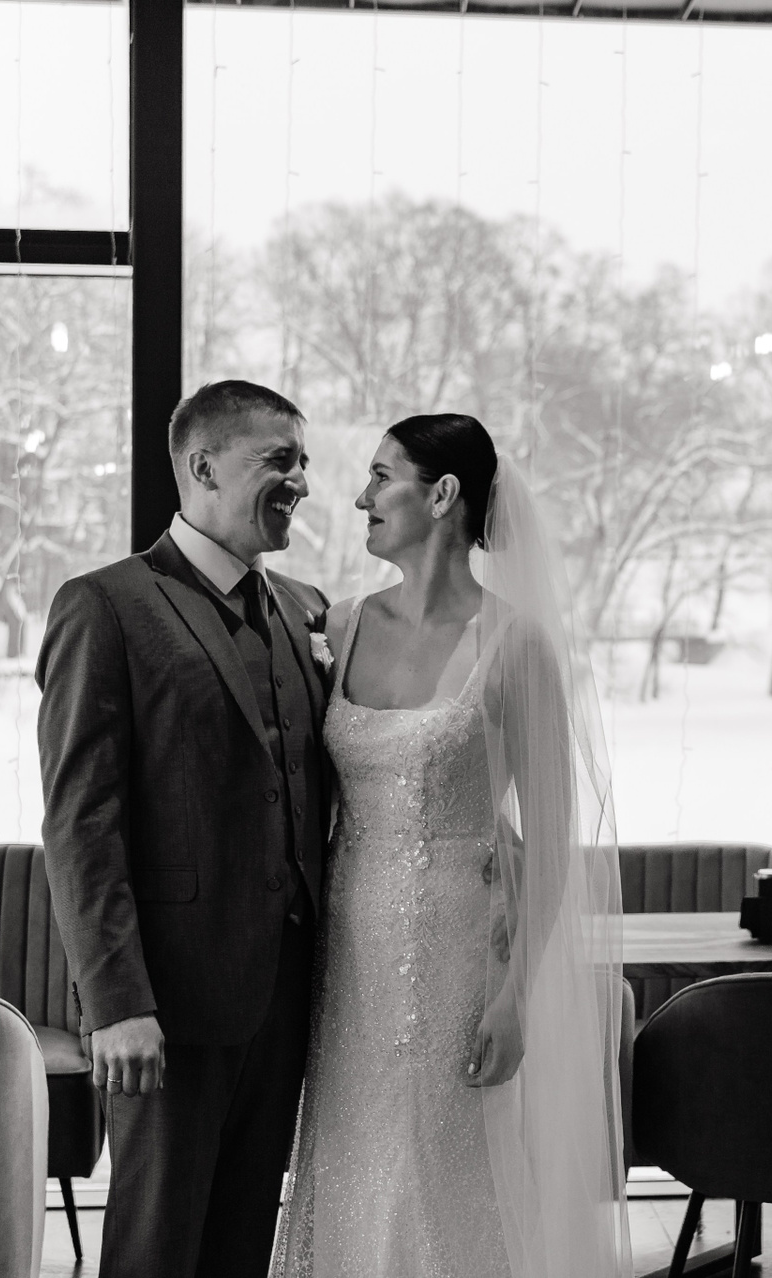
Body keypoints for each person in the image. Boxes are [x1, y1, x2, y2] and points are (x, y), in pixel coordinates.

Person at [273, 413, 632, 1278]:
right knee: (352, 1165)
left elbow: (552, 838)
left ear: (441, 495)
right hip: (346, 957)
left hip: (459, 956)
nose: (360, 498)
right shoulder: (340, 627)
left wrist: (517, 997)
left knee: (442, 1171)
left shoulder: (515, 644)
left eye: (380, 476)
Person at [36, 380, 334, 1278]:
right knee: (156, 1250)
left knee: (243, 1244)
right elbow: (81, 822)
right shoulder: (104, 606)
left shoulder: (303, 610)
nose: (301, 482)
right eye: (280, 460)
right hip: (166, 1005)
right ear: (203, 468)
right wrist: (117, 1004)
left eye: (304, 462)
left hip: (287, 1000)